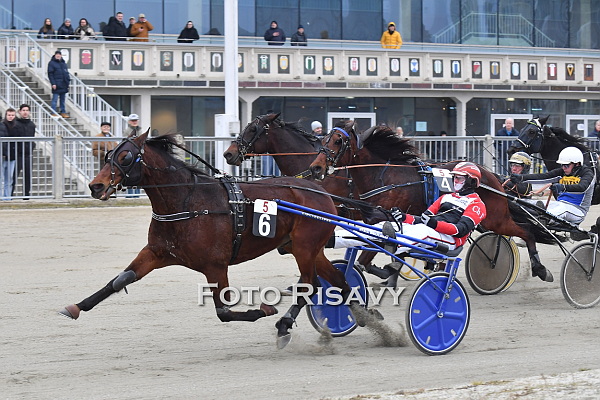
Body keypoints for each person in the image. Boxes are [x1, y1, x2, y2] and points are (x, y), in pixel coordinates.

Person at [330, 162, 486, 285]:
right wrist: (403, 217)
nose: (455, 181)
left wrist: (433, 224)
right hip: (429, 231)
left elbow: (460, 230)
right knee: (385, 227)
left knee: (422, 232)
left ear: (471, 181)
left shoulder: (477, 205)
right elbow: (422, 219)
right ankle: (333, 239)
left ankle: (392, 244)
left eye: (459, 178)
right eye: (454, 177)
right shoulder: (445, 197)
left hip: (450, 241)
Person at [510, 147, 594, 228]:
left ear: (577, 164)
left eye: (566, 165)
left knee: (563, 209)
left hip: (577, 211)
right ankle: (530, 214)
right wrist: (522, 178)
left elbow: (582, 187)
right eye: (562, 165)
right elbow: (544, 177)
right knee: (526, 202)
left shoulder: (587, 173)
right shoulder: (562, 172)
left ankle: (544, 219)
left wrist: (563, 187)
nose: (563, 168)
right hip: (560, 204)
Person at [1, 108, 24, 200]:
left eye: (12, 115)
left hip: (12, 155)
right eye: (9, 115)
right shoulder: (2, 125)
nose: (10, 117)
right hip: (2, 155)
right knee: (2, 178)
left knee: (9, 178)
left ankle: (7, 197)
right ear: (6, 116)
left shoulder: (17, 126)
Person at [14, 104, 36, 198]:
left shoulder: (32, 125)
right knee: (14, 176)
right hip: (18, 154)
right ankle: (9, 196)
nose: (25, 112)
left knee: (27, 176)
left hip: (28, 154)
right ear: (19, 111)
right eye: (23, 110)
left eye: (27, 110)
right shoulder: (16, 124)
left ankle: (26, 196)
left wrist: (32, 146)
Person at [47, 50, 70, 118]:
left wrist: (67, 81)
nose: (58, 56)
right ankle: (53, 112)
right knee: (55, 99)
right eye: (57, 54)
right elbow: (50, 74)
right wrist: (53, 83)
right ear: (55, 55)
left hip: (64, 84)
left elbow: (66, 73)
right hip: (56, 84)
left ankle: (63, 112)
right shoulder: (52, 63)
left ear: (61, 55)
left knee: (62, 100)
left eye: (59, 54)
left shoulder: (63, 63)